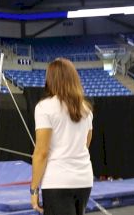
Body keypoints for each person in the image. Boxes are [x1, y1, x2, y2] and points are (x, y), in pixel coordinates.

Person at [30, 58, 93, 215]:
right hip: (84, 180)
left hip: (57, 182)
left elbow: (41, 153)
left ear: (51, 79)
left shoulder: (45, 107)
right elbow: (85, 144)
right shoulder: (85, 109)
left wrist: (33, 189)